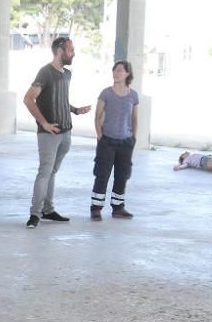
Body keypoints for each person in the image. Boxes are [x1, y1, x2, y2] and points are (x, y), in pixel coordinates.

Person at [23, 37, 92, 229]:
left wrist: (76, 110)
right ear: (60, 51)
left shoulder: (67, 74)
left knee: (52, 172)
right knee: (44, 172)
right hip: (49, 134)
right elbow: (28, 99)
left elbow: (59, 99)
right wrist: (43, 123)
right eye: (70, 50)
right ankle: (34, 214)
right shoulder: (45, 72)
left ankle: (48, 210)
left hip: (66, 132)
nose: (73, 53)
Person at [90, 60, 140, 221]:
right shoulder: (106, 93)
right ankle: (96, 208)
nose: (116, 73)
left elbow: (134, 118)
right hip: (107, 142)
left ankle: (118, 208)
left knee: (122, 175)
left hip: (126, 142)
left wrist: (133, 138)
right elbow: (97, 117)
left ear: (127, 73)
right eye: (114, 70)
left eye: (120, 70)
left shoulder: (133, 95)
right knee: (102, 175)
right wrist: (100, 136)